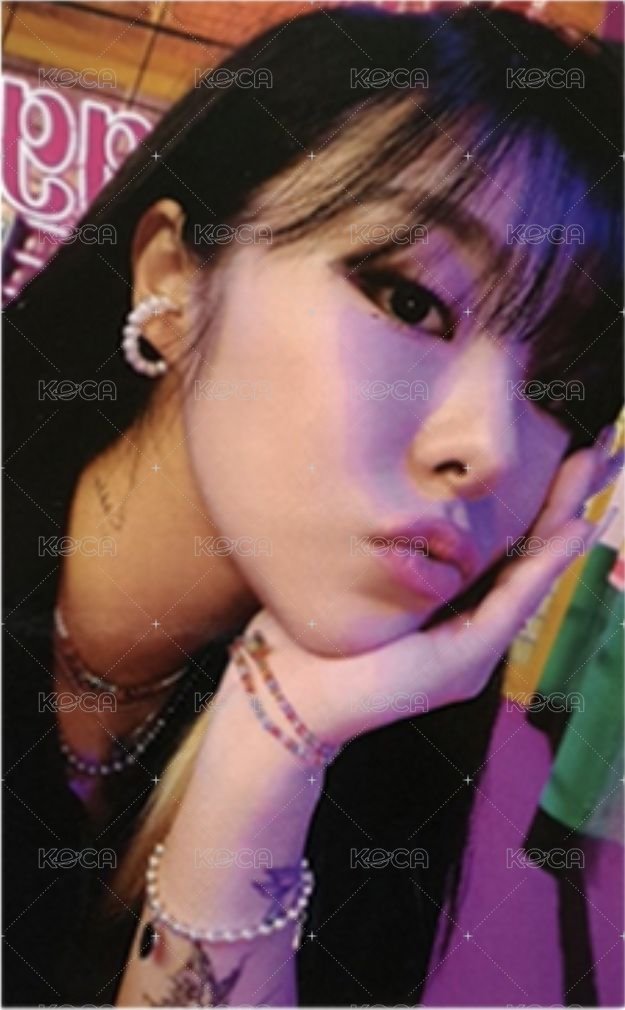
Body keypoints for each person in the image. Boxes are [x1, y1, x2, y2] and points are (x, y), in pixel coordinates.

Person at [3, 3, 623, 1006]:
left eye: (557, 389)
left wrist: (272, 752)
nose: (490, 449)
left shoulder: (373, 741)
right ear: (175, 282)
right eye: (410, 301)